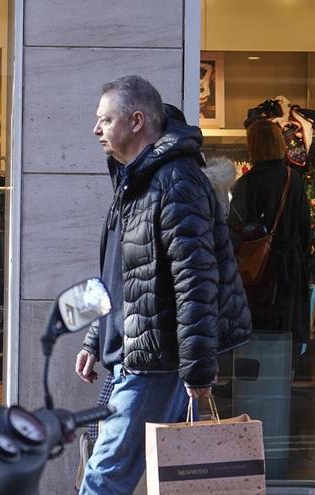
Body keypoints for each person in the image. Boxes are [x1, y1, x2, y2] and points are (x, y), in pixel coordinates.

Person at [75, 75, 252, 494]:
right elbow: (121, 276)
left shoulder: (175, 182)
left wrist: (197, 371)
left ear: (136, 121)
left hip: (156, 361)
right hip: (134, 356)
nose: (96, 129)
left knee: (103, 478)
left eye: (105, 119)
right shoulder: (134, 181)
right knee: (113, 471)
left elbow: (196, 286)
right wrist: (95, 338)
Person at [227, 119, 310, 477]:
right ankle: (280, 449)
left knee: (254, 354)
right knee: (284, 357)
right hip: (292, 279)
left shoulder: (247, 184)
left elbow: (232, 236)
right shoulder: (295, 181)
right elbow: (306, 231)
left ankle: (251, 452)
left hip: (259, 279)